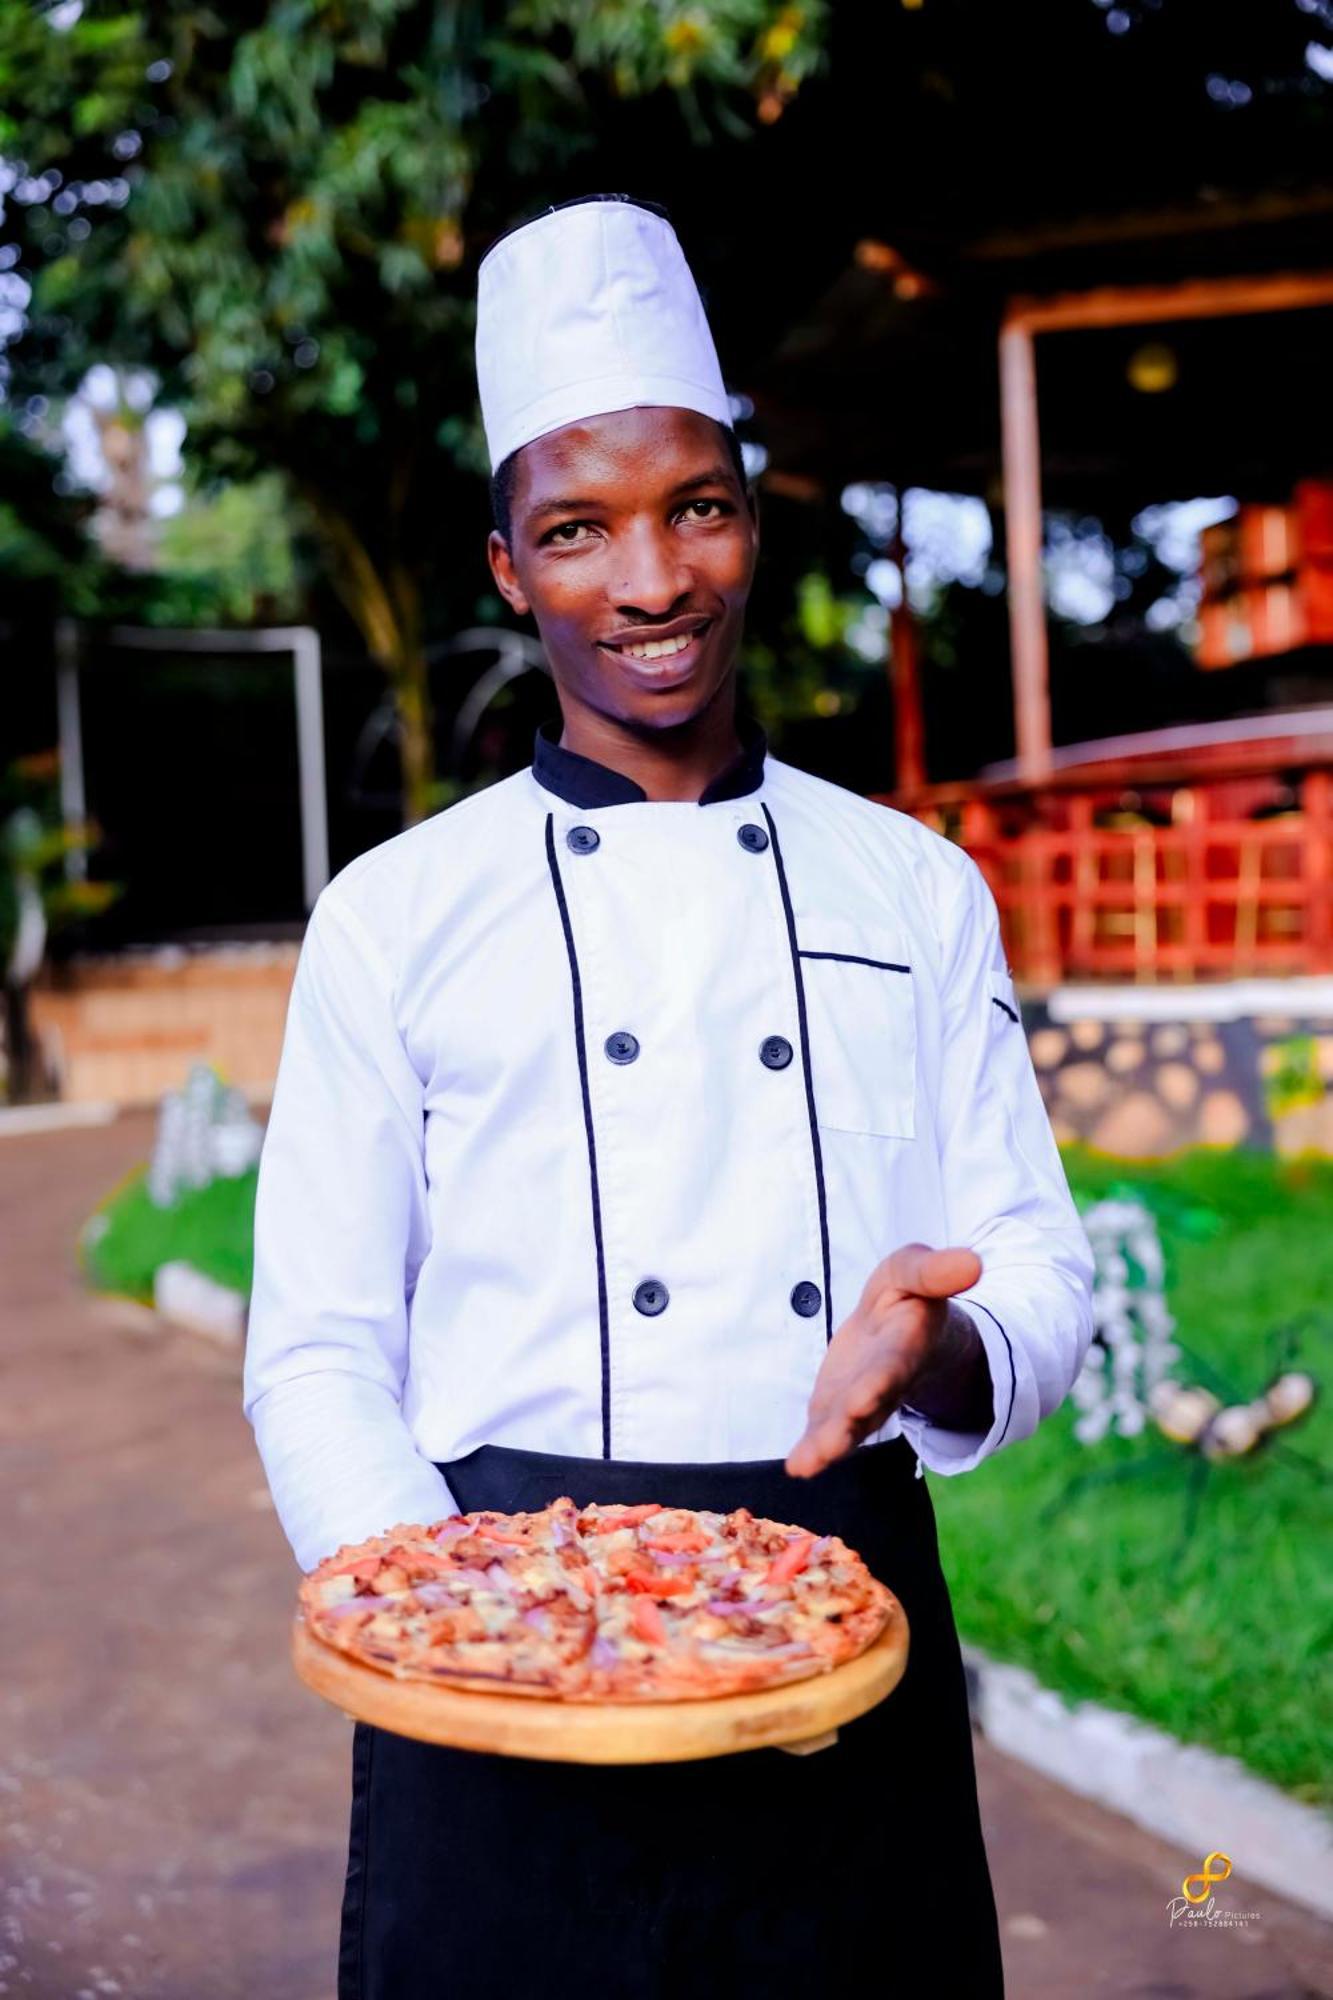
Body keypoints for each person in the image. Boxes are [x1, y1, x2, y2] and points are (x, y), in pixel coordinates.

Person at [243, 191, 1094, 2000]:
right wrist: (472, 1617)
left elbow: (1036, 1275)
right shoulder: (394, 916)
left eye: (693, 508)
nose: (650, 583)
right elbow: (316, 1349)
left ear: (747, 514)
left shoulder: (910, 886)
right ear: (507, 568)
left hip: (834, 1594)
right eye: (579, 531)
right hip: (481, 1586)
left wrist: (930, 1354)